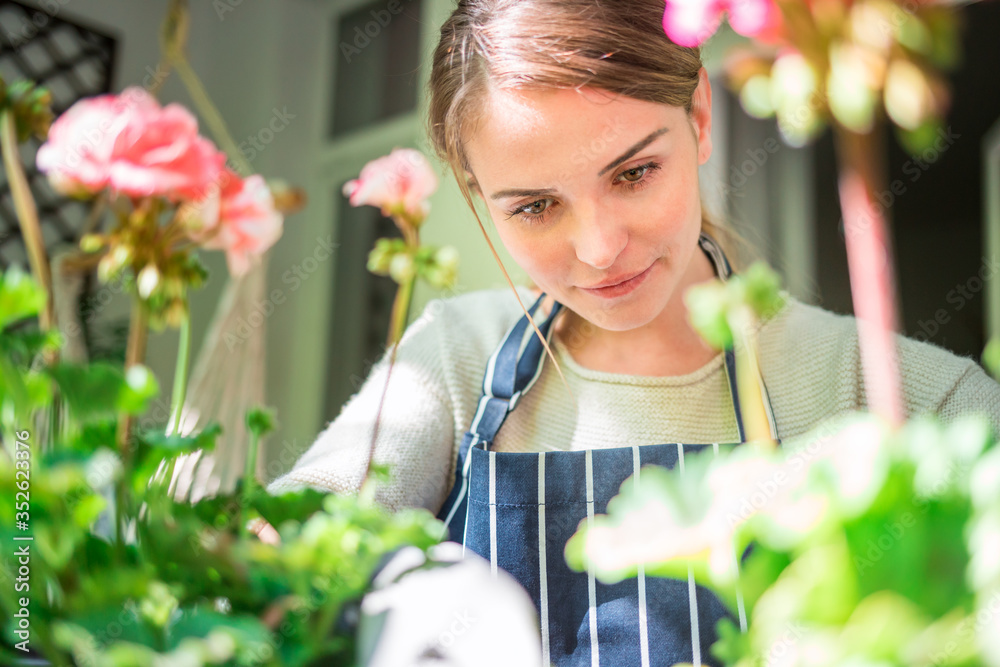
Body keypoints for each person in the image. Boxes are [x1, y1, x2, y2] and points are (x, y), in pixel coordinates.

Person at [266, 1, 1000, 664]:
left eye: (634, 173)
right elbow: (299, 528)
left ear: (701, 118)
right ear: (477, 193)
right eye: (534, 207)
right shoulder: (455, 354)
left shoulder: (907, 395)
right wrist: (411, 585)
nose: (598, 248)